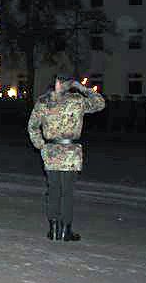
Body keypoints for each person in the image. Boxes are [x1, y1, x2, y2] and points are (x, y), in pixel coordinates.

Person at [27, 73, 105, 242]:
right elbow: (100, 103)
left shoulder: (44, 102)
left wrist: (40, 145)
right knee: (67, 192)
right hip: (70, 152)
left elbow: (32, 126)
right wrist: (82, 88)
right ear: (70, 85)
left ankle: (54, 229)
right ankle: (65, 231)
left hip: (52, 151)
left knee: (53, 190)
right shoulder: (77, 100)